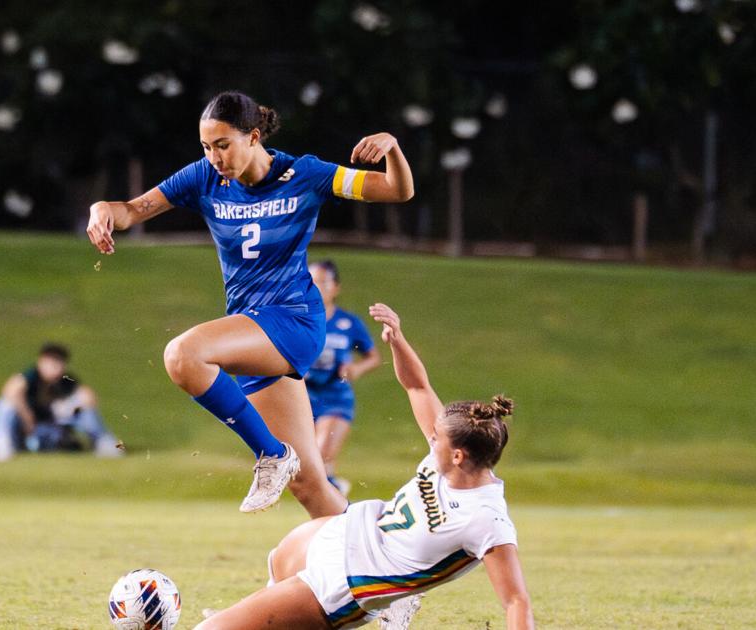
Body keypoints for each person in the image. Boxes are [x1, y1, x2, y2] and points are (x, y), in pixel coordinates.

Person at [86, 91, 414, 515]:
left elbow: (395, 190)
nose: (215, 157)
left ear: (254, 137)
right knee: (310, 486)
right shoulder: (204, 177)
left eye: (223, 145)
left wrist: (393, 148)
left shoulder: (305, 174)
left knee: (184, 355)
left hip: (295, 322)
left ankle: (271, 455)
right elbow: (131, 210)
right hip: (253, 331)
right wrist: (101, 209)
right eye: (206, 147)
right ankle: (383, 569)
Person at [195, 304, 534, 630]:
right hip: (340, 531)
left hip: (346, 582)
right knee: (274, 576)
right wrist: (398, 340)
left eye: (438, 436)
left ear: (459, 456)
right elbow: (418, 386)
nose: (432, 435)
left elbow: (516, 601)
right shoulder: (449, 451)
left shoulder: (486, 519)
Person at [305, 259, 382, 497]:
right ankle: (335, 490)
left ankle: (336, 504)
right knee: (309, 467)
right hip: (302, 398)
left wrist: (355, 370)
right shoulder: (299, 321)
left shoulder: (347, 323)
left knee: (319, 456)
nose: (316, 288)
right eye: (310, 282)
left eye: (322, 282)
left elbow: (373, 357)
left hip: (335, 397)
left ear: (335, 287)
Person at [0, 342, 123, 461]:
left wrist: (71, 406)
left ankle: (104, 442)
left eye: (59, 363)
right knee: (4, 405)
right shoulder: (31, 376)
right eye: (51, 363)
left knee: (86, 410)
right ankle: (2, 445)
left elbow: (89, 397)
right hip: (25, 426)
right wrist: (26, 416)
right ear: (41, 362)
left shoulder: (66, 380)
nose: (56, 368)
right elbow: (10, 390)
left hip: (51, 426)